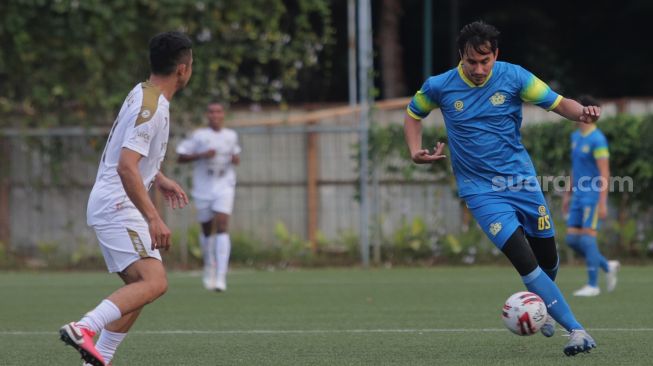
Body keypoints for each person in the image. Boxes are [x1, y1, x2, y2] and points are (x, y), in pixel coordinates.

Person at [404, 21, 599, 356]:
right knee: (524, 261)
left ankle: (542, 305)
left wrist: (583, 113)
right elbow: (412, 114)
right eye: (471, 62)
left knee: (548, 258)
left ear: (496, 55)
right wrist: (414, 151)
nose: (479, 69)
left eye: (485, 61)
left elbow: (557, 102)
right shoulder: (440, 86)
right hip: (480, 191)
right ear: (460, 57)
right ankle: (577, 331)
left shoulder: (515, 77)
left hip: (522, 182)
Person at [59, 31, 193, 366]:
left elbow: (128, 153)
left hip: (116, 201)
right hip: (119, 205)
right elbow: (126, 167)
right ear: (183, 69)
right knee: (153, 282)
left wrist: (158, 177)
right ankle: (83, 327)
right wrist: (153, 216)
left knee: (140, 288)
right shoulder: (152, 107)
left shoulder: (143, 93)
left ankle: (98, 359)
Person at [176, 101, 241, 291]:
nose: (215, 115)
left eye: (218, 112)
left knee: (222, 225)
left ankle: (221, 276)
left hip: (224, 185)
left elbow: (236, 155)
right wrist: (202, 154)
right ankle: (209, 264)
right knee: (206, 229)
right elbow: (180, 157)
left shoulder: (231, 136)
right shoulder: (200, 136)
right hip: (204, 186)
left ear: (223, 115)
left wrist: (235, 159)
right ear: (207, 115)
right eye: (211, 112)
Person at [563, 95, 620, 297]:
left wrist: (602, 202)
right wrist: (567, 195)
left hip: (592, 196)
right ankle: (607, 265)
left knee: (587, 240)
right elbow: (575, 168)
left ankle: (593, 285)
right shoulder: (576, 137)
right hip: (577, 196)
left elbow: (605, 173)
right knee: (571, 239)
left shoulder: (598, 139)